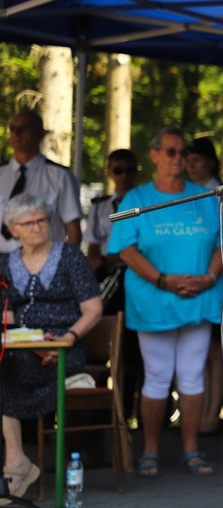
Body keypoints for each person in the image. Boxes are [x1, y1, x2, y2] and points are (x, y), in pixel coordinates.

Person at [107, 126, 223, 478]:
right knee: (157, 377)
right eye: (171, 152)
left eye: (182, 151)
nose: (178, 158)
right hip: (155, 300)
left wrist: (207, 278)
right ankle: (151, 450)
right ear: (155, 155)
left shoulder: (205, 197)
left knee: (192, 377)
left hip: (198, 298)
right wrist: (162, 280)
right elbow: (125, 249)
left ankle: (191, 449)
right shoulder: (135, 200)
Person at [0, 193, 102, 498]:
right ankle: (16, 461)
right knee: (5, 367)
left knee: (7, 374)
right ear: (13, 229)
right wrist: (24, 341)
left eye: (41, 220)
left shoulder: (70, 257)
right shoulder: (5, 263)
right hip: (21, 347)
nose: (36, 227)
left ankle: (16, 467)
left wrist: (67, 339)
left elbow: (93, 310)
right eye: (28, 223)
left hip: (64, 347)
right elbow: (5, 314)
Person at [0, 109, 82, 254]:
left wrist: (66, 268)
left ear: (40, 134)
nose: (17, 134)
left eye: (24, 129)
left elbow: (73, 229)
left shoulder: (60, 176)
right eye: (13, 129)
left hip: (43, 266)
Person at [85, 149, 139, 301]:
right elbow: (92, 250)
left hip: (139, 271)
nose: (124, 176)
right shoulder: (99, 206)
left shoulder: (147, 205)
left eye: (129, 170)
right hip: (108, 272)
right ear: (109, 172)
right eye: (118, 170)